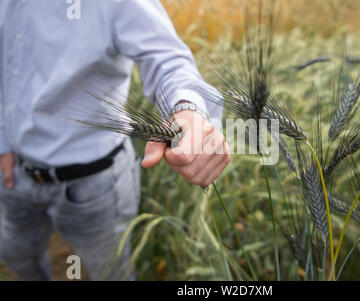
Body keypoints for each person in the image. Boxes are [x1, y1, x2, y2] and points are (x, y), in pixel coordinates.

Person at [0, 0, 230, 280]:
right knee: (16, 254)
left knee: (110, 273)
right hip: (15, 175)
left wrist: (189, 110)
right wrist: (4, 140)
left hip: (95, 186)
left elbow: (167, 60)